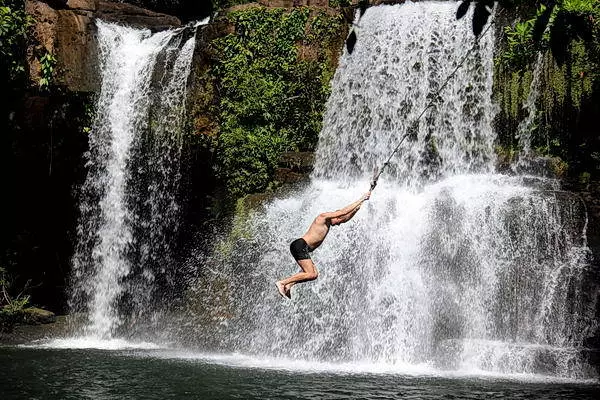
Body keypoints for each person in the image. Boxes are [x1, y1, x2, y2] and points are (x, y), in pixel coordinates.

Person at [276, 192, 371, 299]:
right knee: (311, 273)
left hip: (303, 248)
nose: (340, 223)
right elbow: (343, 212)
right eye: (339, 220)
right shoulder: (323, 217)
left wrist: (358, 206)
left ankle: (289, 285)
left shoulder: (330, 222)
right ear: (335, 215)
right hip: (300, 245)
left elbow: (345, 217)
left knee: (314, 274)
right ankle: (282, 283)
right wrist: (361, 198)